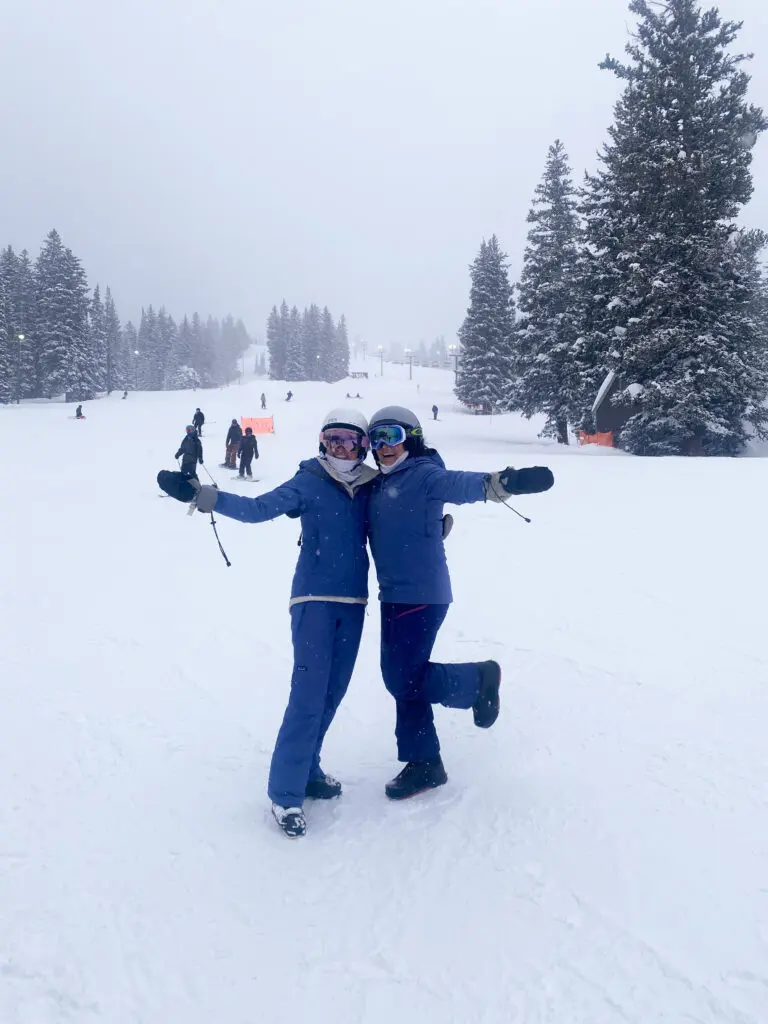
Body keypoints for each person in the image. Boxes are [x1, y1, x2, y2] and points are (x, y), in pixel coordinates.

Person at [157, 408, 376, 839]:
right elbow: (258, 509)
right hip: (313, 598)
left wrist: (431, 529)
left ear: (363, 446)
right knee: (309, 694)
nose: (342, 449)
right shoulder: (308, 480)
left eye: (350, 441)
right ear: (322, 443)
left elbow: (394, 523)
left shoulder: (372, 486)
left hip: (354, 601)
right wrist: (203, 496)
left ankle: (309, 770)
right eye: (333, 440)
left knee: (333, 692)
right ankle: (286, 793)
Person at [366, 406, 554, 800]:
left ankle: (477, 681)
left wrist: (503, 483)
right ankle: (424, 763)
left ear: (411, 438)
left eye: (392, 436)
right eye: (376, 438)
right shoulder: (380, 483)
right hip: (394, 595)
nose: (383, 447)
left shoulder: (423, 473)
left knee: (403, 678)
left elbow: (461, 485)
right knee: (404, 677)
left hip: (421, 594)